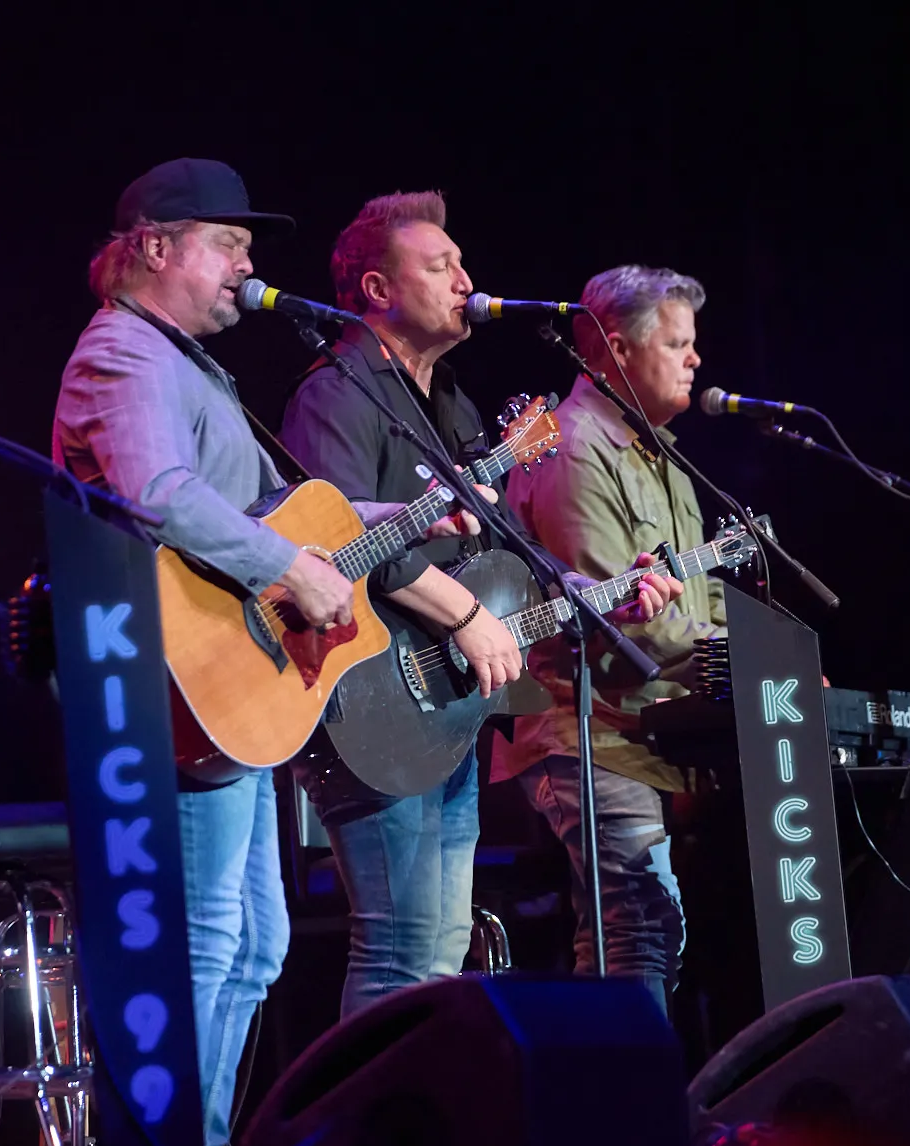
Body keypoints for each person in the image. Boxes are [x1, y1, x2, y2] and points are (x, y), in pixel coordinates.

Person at [50, 160, 483, 1146]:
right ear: (154, 246)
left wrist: (391, 521)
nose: (250, 265)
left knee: (255, 941)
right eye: (228, 244)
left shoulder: (184, 363)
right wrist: (284, 568)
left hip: (229, 689)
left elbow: (270, 506)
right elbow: (154, 494)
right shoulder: (122, 352)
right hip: (169, 684)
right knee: (204, 941)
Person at [280, 192, 679, 1018]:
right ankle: (366, 1136)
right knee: (398, 945)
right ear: (379, 290)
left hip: (445, 707)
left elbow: (496, 556)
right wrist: (461, 613)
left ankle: (412, 1134)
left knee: (440, 944)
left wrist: (594, 594)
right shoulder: (336, 396)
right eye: (441, 265)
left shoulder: (451, 402)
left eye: (463, 262)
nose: (467, 279)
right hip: (367, 700)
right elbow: (330, 542)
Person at [492, 265, 721, 1013]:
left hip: (654, 733)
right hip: (586, 730)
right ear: (617, 349)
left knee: (637, 930)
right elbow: (613, 618)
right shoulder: (570, 445)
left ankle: (627, 1108)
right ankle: (632, 1115)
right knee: (638, 928)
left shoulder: (669, 458)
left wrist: (758, 661)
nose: (694, 359)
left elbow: (703, 600)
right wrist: (733, 660)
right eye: (677, 343)